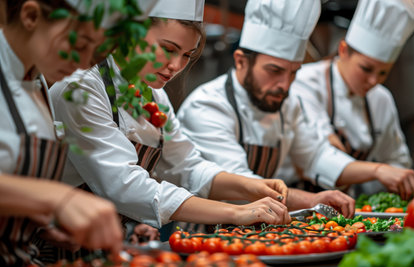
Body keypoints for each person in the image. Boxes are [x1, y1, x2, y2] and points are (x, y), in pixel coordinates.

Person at [49, 0, 290, 238]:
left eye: (187, 54)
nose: (176, 66)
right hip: (57, 247)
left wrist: (250, 187)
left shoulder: (154, 94)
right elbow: (124, 186)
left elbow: (186, 166)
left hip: (106, 241)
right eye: (167, 49)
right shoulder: (81, 89)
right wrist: (235, 212)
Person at [177, 0, 414, 205]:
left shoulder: (288, 105)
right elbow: (241, 184)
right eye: (274, 70)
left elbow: (316, 155)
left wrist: (378, 170)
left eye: (293, 72)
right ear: (241, 61)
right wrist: (311, 200)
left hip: (254, 231)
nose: (285, 85)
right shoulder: (208, 105)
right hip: (203, 238)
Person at [0, 0, 155, 267]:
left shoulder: (36, 82)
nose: (83, 63)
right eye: (79, 44)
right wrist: (56, 199)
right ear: (31, 15)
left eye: (95, 52)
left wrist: (41, 221)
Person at [290, 0, 414, 196]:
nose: (373, 81)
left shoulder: (381, 99)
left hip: (348, 207)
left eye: (383, 73)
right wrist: (378, 171)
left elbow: (397, 160)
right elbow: (319, 156)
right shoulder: (306, 83)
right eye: (366, 68)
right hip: (297, 201)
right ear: (343, 50)